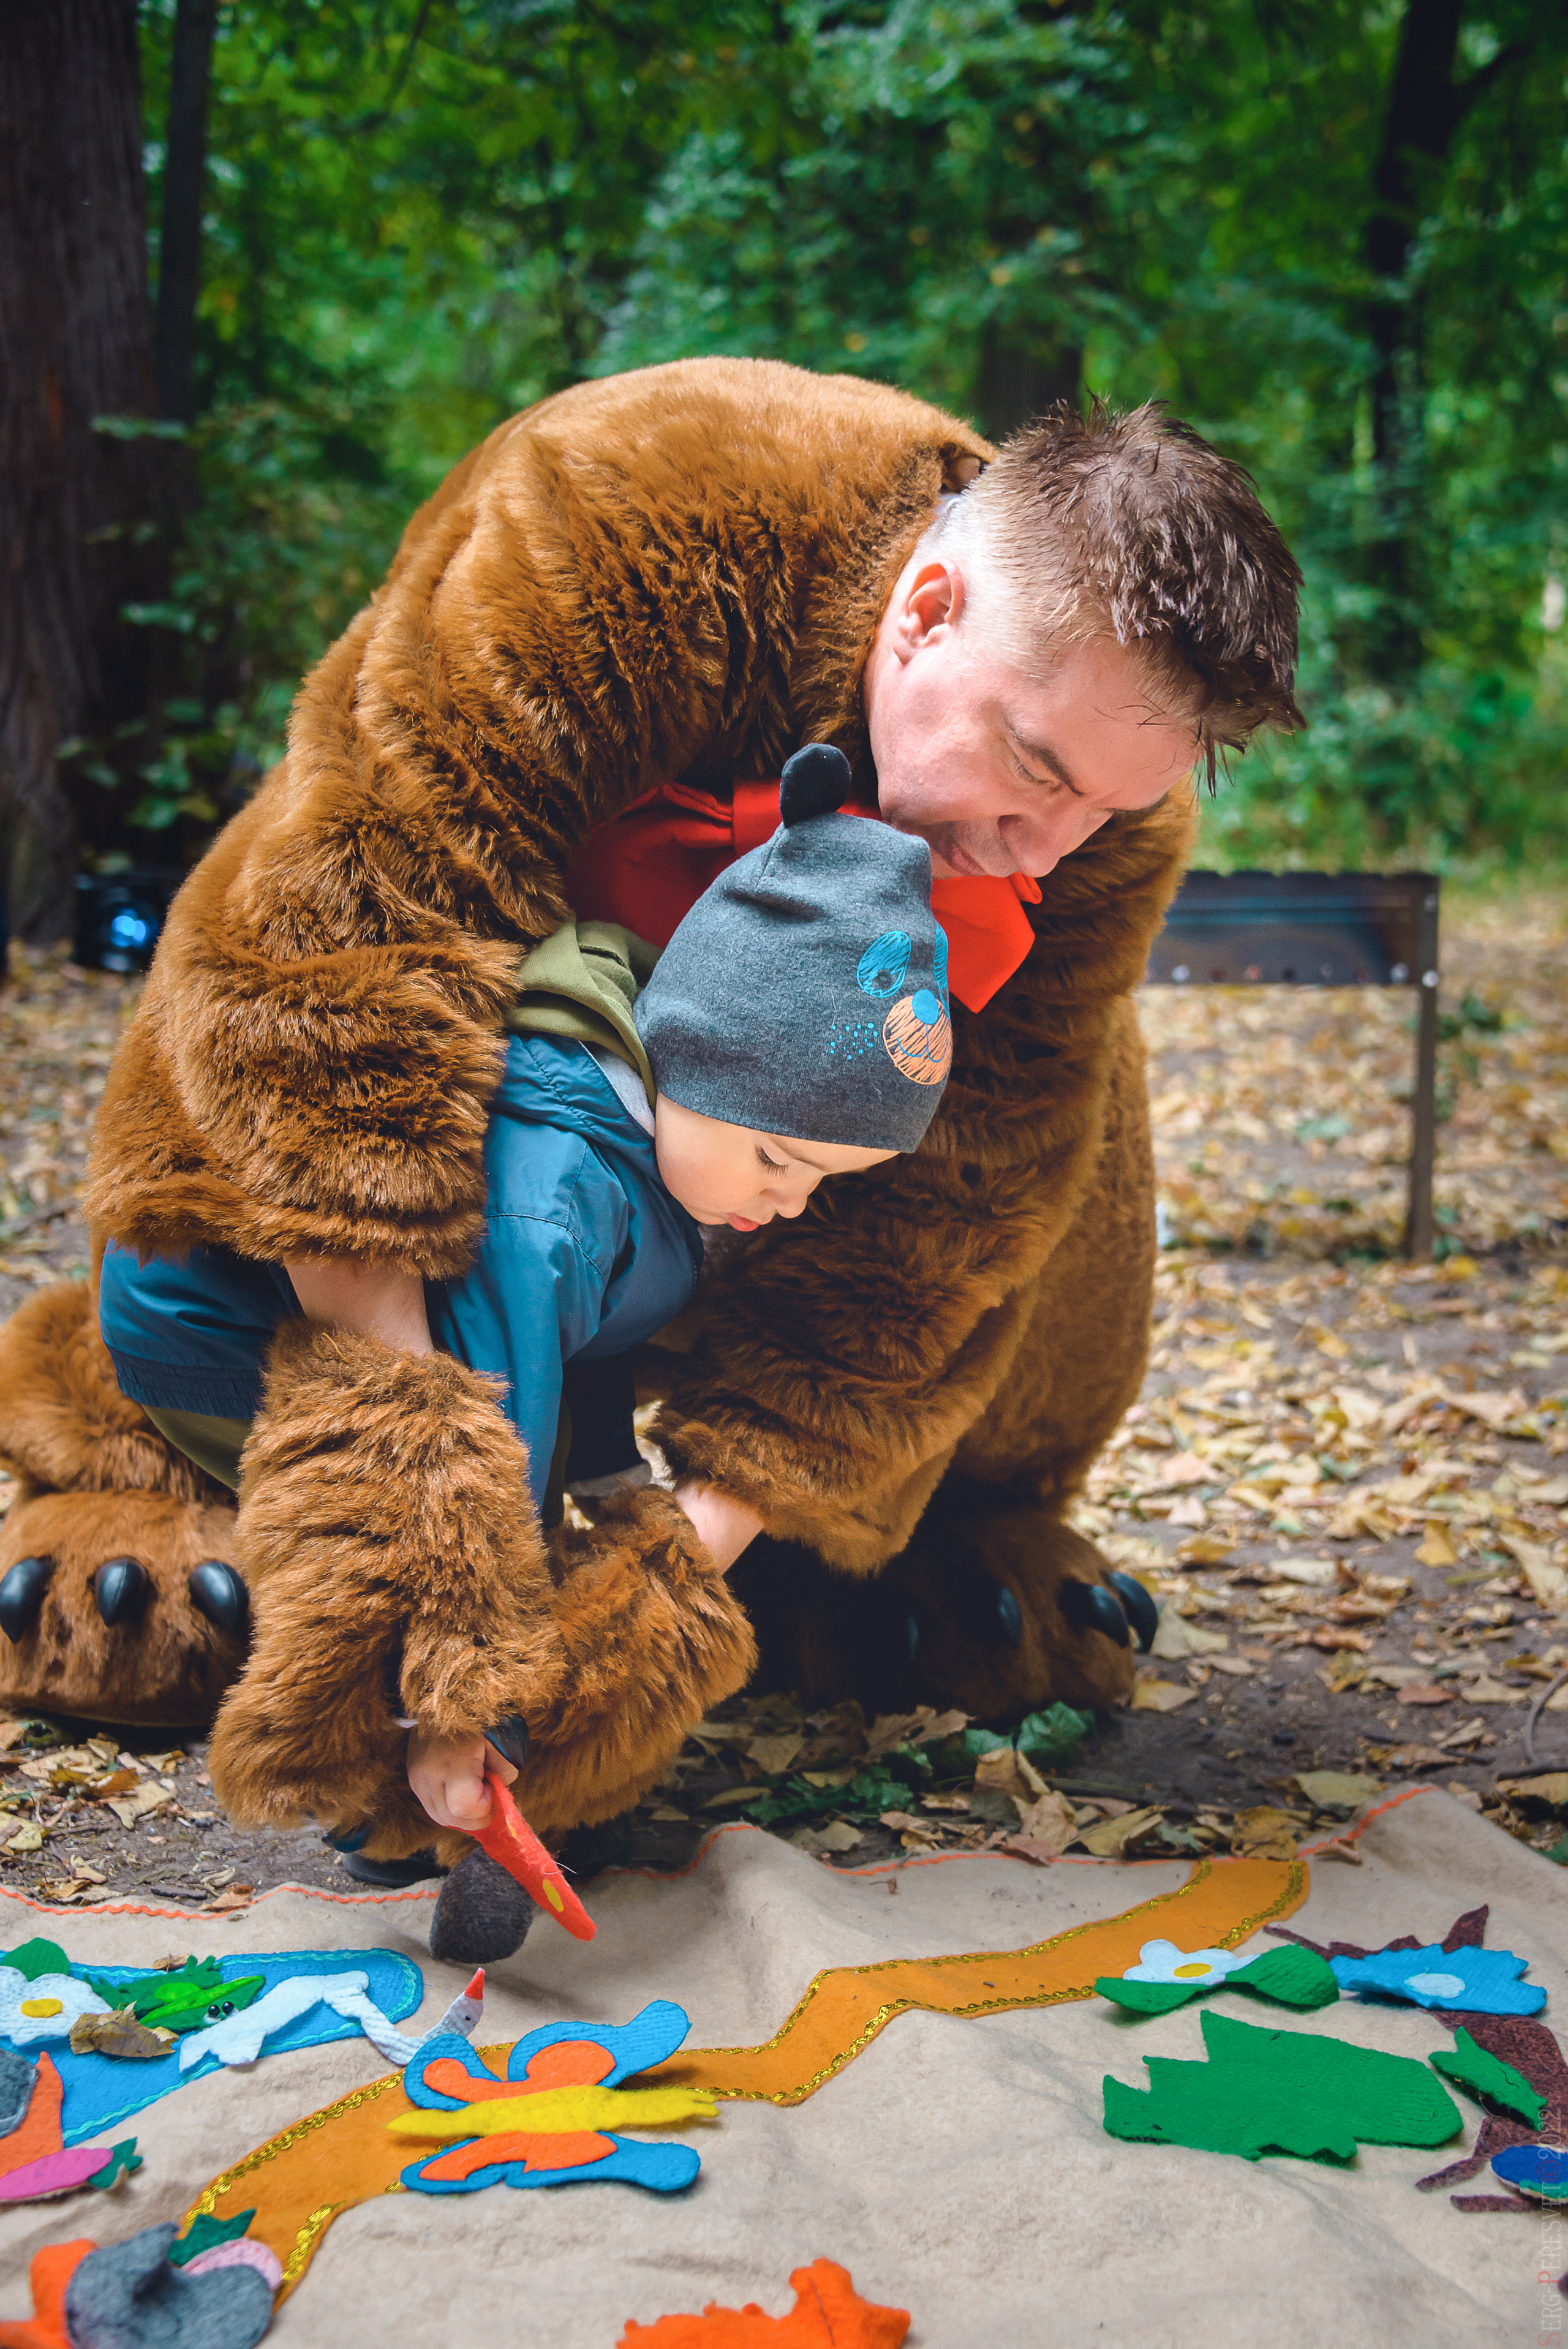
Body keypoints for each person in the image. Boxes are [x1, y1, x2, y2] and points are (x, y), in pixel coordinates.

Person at [0, 364, 1303, 1922]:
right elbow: (342, 947)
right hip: (481, 1097)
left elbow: (961, 1207)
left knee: (1060, 1153)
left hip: (747, 1178)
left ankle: (910, 1527)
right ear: (928, 607)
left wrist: (676, 1573)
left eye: (1105, 805)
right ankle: (126, 1456)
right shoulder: (630, 509)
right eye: (1031, 766)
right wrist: (413, 1483)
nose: (1041, 848)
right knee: (274, 1074)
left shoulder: (1088, 816)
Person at [94, 743, 953, 1952]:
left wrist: (610, 1484)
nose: (789, 1203)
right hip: (218, 1337)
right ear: (698, 1059)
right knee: (425, 1525)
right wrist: (464, 1702)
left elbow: (594, 1336)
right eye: (778, 1159)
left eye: (822, 1181)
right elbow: (471, 1456)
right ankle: (386, 1776)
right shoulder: (547, 1203)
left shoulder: (666, 1161)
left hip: (478, 1354)